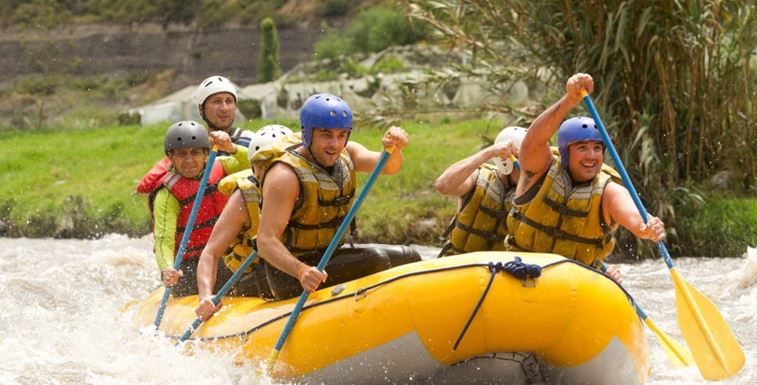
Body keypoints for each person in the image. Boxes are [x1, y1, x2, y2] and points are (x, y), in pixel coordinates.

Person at [255, 93, 414, 300]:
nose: (335, 144)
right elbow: (265, 242)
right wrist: (301, 271)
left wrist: (393, 148)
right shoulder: (285, 177)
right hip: (289, 274)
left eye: (341, 135)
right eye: (326, 135)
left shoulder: (348, 154)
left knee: (409, 257)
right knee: (378, 259)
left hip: (330, 258)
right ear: (308, 134)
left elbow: (389, 166)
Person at [505, 73, 665, 274]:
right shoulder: (539, 171)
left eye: (597, 148)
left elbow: (634, 217)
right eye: (582, 148)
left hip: (577, 282)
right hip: (521, 270)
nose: (592, 156)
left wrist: (647, 227)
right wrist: (569, 100)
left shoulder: (608, 191)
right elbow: (534, 140)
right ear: (564, 152)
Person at [194, 124, 298, 321]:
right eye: (261, 166)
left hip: (299, 266)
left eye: (277, 165)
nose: (270, 173)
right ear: (253, 168)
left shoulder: (302, 186)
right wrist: (205, 296)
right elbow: (211, 252)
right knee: (279, 275)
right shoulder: (243, 199)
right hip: (257, 277)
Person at [140, 120, 250, 296]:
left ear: (206, 154)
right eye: (182, 154)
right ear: (171, 157)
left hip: (226, 255)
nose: (189, 160)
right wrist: (167, 268)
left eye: (195, 153)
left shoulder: (221, 165)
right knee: (191, 280)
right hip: (189, 266)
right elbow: (163, 240)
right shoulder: (167, 194)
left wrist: (232, 148)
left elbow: (254, 165)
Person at [434, 126, 526, 257]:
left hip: (501, 272)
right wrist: (490, 152)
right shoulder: (477, 179)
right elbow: (442, 185)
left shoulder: (534, 189)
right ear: (506, 161)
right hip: (460, 267)